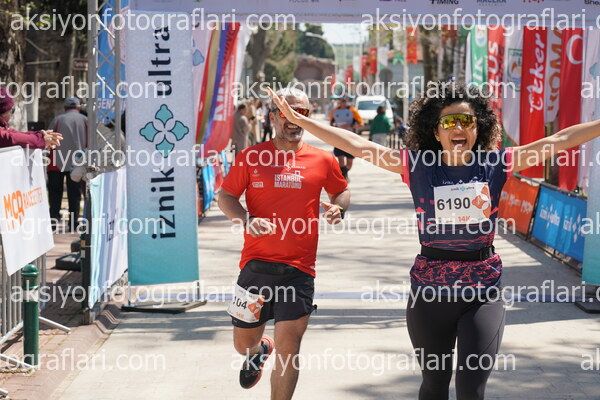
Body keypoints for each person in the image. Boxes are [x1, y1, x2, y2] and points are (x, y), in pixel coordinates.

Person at [268, 81, 600, 400]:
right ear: (436, 131)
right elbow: (360, 146)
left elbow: (559, 140)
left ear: (479, 128)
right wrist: (302, 121)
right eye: (450, 121)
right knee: (434, 386)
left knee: (471, 390)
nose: (459, 128)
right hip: (429, 294)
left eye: (467, 121)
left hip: (482, 292)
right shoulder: (419, 167)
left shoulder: (495, 164)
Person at [218, 88, 350, 400]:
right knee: (243, 345)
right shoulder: (252, 157)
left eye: (301, 112)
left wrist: (339, 208)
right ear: (274, 116)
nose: (294, 118)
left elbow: (341, 191)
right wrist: (246, 220)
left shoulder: (322, 159)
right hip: (256, 267)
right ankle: (259, 350)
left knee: (289, 349)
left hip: (299, 269)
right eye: (287, 112)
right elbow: (226, 196)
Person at [47, 97, 88, 231]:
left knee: (55, 194)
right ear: (78, 107)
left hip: (56, 163)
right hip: (77, 164)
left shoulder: (57, 120)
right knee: (75, 194)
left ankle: (53, 222)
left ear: (65, 107)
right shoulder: (85, 120)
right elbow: (90, 142)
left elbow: (48, 140)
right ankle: (73, 223)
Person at [330, 97, 363, 181]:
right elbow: (331, 123)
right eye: (341, 101)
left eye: (344, 101)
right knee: (340, 159)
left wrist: (350, 126)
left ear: (347, 102)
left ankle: (344, 174)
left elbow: (361, 124)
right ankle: (344, 178)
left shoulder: (353, 110)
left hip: (350, 138)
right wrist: (335, 127)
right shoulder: (334, 111)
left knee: (349, 164)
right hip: (339, 138)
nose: (343, 103)